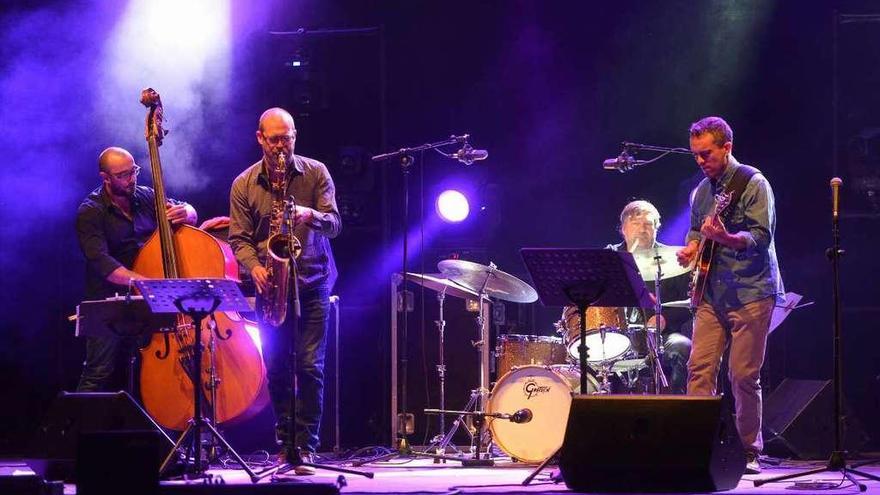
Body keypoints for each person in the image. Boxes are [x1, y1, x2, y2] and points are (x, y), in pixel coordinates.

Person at [228, 108, 341, 475]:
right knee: (276, 367)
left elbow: (335, 224)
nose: (281, 147)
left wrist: (311, 215)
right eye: (274, 139)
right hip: (270, 283)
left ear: (296, 136)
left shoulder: (316, 172)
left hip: (312, 279)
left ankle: (306, 447)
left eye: (287, 138)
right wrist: (256, 267)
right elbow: (238, 239)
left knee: (309, 366)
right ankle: (285, 445)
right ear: (260, 138)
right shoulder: (244, 183)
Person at [676, 116, 784, 474]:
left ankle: (749, 450)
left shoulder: (754, 184)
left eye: (706, 154)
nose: (700, 161)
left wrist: (725, 238)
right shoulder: (703, 191)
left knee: (742, 375)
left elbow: (760, 239)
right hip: (711, 292)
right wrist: (691, 249)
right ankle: (696, 444)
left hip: (751, 292)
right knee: (699, 368)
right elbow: (696, 229)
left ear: (727, 147)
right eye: (695, 155)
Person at [75, 146, 197, 391]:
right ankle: (78, 428)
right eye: (123, 175)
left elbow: (186, 211)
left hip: (149, 298)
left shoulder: (146, 197)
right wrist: (143, 282)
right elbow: (103, 263)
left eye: (134, 172)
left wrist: (189, 213)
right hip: (109, 300)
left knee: (156, 369)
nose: (131, 180)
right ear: (105, 178)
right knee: (99, 372)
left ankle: (160, 425)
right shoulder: (90, 211)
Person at [606, 200, 692, 394]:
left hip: (662, 337)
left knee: (683, 347)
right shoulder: (610, 256)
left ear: (656, 229)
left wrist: (665, 317)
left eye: (648, 224)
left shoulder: (674, 259)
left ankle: (677, 408)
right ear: (623, 229)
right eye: (636, 224)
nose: (642, 229)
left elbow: (689, 303)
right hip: (614, 336)